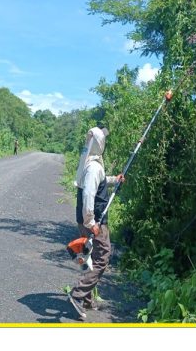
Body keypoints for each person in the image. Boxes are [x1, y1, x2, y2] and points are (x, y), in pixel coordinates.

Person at [68, 125, 125, 320]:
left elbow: (98, 180)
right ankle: (77, 294)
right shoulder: (93, 167)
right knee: (102, 258)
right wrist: (91, 221)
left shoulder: (88, 163)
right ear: (100, 144)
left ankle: (87, 299)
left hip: (84, 219)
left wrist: (114, 179)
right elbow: (89, 194)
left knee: (90, 256)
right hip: (95, 221)